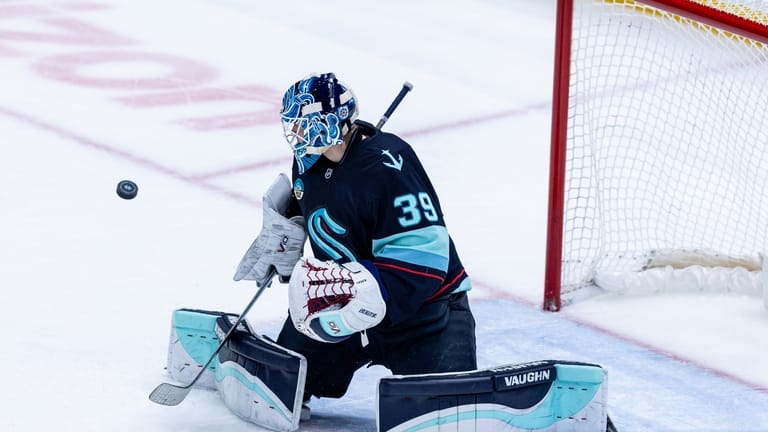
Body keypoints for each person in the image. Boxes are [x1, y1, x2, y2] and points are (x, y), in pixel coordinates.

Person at [235, 72, 477, 404]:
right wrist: (290, 225)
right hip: (342, 304)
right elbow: (324, 200)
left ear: (329, 124)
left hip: (424, 313)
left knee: (445, 407)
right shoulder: (306, 165)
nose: (295, 134)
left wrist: (367, 287)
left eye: (303, 125)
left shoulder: (389, 164)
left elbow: (426, 257)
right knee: (280, 387)